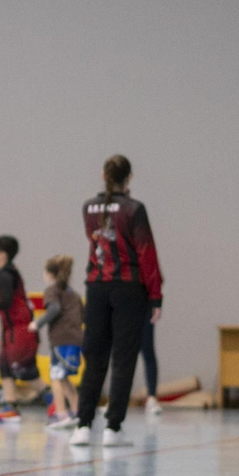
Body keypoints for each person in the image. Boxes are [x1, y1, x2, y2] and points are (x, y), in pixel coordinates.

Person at [71, 154, 163, 448]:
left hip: (97, 286)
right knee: (123, 358)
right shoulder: (134, 209)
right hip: (128, 288)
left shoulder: (88, 207)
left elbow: (96, 242)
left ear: (103, 175)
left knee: (94, 357)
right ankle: (113, 427)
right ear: (129, 177)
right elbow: (146, 253)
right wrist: (156, 295)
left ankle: (83, 426)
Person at [0, 235, 38, 424]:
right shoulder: (7, 272)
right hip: (12, 328)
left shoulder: (4, 275)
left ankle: (55, 403)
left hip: (20, 327)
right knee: (4, 365)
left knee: (26, 371)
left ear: (3, 254)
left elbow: (6, 301)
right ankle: (11, 408)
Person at [30, 255, 84, 432]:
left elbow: (54, 309)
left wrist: (37, 323)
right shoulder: (74, 294)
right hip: (76, 339)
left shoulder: (52, 291)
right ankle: (77, 411)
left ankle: (61, 414)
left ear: (50, 274)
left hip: (61, 340)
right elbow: (83, 315)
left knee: (56, 377)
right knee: (65, 377)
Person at [141, 312, 161, 415]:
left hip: (145, 308)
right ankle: (116, 399)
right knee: (122, 354)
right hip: (124, 308)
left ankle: (152, 397)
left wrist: (157, 304)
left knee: (148, 349)